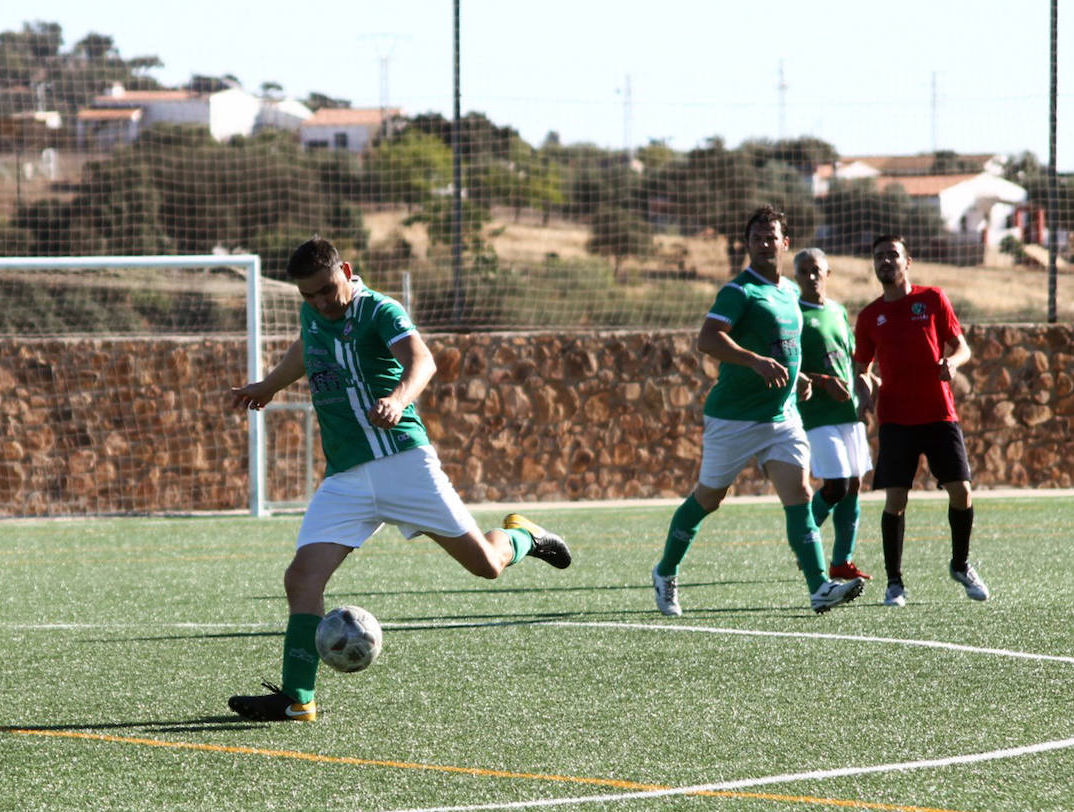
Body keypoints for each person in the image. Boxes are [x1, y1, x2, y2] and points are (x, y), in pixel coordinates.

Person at [227, 237, 571, 722]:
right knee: (301, 578)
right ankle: (297, 698)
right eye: (309, 296)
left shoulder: (379, 310)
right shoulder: (313, 314)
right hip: (346, 475)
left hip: (403, 463)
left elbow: (423, 360)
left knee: (487, 566)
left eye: (327, 290)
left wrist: (399, 399)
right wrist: (267, 386)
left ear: (345, 270)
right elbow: (305, 348)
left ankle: (524, 536)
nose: (321, 303)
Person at [651, 206, 865, 617]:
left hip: (781, 418)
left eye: (773, 237)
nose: (766, 244)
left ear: (786, 243)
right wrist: (753, 361)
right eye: (758, 238)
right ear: (748, 245)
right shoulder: (740, 292)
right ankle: (665, 571)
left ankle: (819, 587)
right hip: (733, 418)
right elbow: (708, 340)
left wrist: (799, 378)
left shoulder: (789, 292)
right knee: (708, 499)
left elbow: (789, 347)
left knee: (800, 495)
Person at [853, 235, 990, 608]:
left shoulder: (932, 299)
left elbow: (962, 346)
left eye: (892, 255)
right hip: (896, 419)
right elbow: (861, 368)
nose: (885, 261)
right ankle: (895, 583)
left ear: (907, 261)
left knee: (962, 491)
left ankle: (960, 564)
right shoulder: (869, 317)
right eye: (878, 256)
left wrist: (953, 363)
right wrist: (863, 395)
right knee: (896, 499)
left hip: (938, 412)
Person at [793, 248, 872, 582]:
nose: (811, 277)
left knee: (853, 483)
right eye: (803, 272)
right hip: (817, 413)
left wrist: (868, 386)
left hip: (848, 411)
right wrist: (824, 383)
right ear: (795, 277)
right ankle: (802, 544)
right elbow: (790, 365)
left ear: (828, 273)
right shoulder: (794, 314)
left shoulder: (838, 311)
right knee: (836, 485)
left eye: (816, 271)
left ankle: (842, 561)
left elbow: (852, 360)